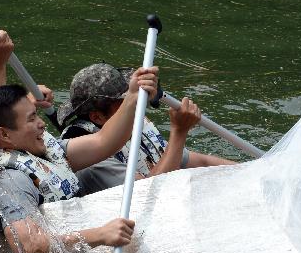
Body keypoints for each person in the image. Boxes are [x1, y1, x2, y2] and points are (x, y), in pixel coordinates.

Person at [0, 70, 157, 253]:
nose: (42, 124)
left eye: (37, 115)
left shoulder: (46, 152)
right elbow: (29, 246)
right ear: (4, 135)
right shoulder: (12, 179)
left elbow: (105, 141)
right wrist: (100, 235)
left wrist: (133, 96)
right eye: (31, 119)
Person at [59, 63, 235, 195]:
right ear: (97, 117)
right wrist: (179, 132)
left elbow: (197, 162)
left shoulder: (134, 121)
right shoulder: (89, 156)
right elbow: (149, 197)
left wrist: (251, 170)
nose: (137, 106)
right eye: (126, 103)